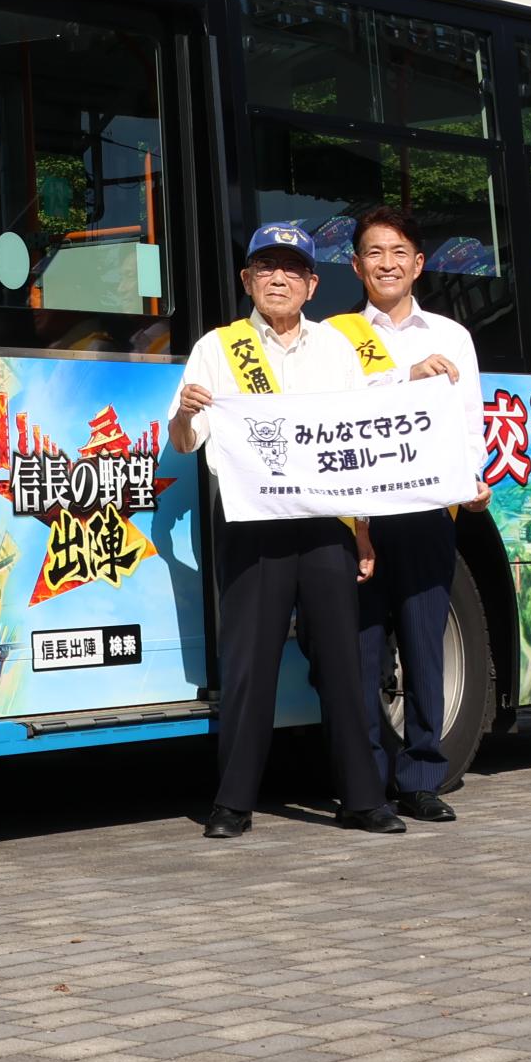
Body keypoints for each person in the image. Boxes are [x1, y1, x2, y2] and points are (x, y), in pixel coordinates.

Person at [170, 221, 402, 841]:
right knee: (250, 666)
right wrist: (187, 414)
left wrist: (362, 532)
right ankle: (233, 802)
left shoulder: (335, 349)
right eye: (265, 268)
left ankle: (361, 797)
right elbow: (184, 439)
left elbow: (358, 444)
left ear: (312, 284)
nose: (278, 279)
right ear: (247, 280)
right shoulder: (218, 348)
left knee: (344, 662)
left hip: (325, 526)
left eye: (291, 269)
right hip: (252, 526)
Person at [342, 204, 479, 824]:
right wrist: (406, 377)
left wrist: (472, 479)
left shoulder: (450, 336)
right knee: (361, 651)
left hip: (426, 510)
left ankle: (423, 775)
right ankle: (366, 780)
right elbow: (335, 413)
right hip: (359, 518)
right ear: (355, 265)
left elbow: (468, 420)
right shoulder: (336, 336)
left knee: (425, 644)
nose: (387, 264)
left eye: (399, 252)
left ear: (419, 264)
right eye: (374, 253)